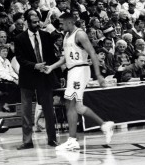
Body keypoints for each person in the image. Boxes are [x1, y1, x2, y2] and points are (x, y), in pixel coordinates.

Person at [44, 13, 114, 151]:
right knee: (78, 107)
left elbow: (93, 53)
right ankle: (105, 125)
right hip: (72, 71)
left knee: (70, 103)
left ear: (70, 22)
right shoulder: (66, 35)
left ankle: (72, 140)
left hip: (80, 70)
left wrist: (99, 75)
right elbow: (66, 58)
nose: (60, 25)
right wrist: (51, 67)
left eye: (62, 23)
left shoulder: (80, 34)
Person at [14, 13, 58, 150]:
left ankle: (52, 139)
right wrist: (34, 65)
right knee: (26, 111)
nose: (37, 24)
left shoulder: (46, 36)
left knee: (49, 110)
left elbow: (52, 56)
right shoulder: (19, 38)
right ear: (27, 23)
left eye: (38, 22)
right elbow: (20, 59)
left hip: (44, 76)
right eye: (33, 22)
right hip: (28, 76)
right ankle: (27, 141)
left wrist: (52, 70)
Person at [0, 44, 20, 112]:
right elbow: (1, 74)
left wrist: (17, 78)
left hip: (5, 80)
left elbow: (11, 72)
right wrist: (13, 80)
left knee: (19, 86)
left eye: (6, 51)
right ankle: (6, 105)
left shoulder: (7, 60)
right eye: (3, 51)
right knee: (13, 86)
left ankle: (15, 107)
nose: (5, 53)